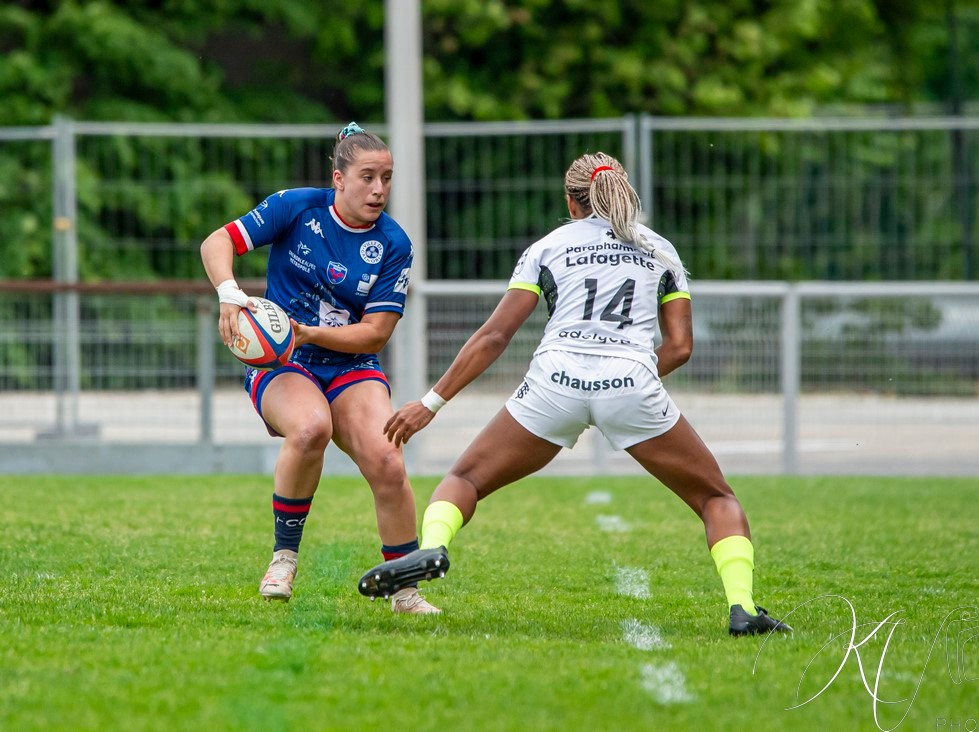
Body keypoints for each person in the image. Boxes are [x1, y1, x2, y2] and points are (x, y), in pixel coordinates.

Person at [357, 152, 791, 636]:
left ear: (570, 200)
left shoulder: (549, 246)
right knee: (716, 498)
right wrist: (624, 389)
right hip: (631, 382)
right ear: (623, 191)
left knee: (466, 479)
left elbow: (494, 337)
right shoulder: (660, 250)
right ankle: (743, 609)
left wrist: (430, 403)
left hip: (554, 382)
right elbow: (680, 347)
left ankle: (432, 547)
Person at [199, 122, 438, 614]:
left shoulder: (394, 243)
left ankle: (406, 590)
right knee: (310, 429)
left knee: (388, 459)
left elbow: (374, 333)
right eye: (368, 177)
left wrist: (307, 331)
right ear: (339, 178)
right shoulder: (295, 206)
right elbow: (216, 243)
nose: (379, 189)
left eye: (387, 178)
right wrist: (229, 293)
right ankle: (283, 558)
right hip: (284, 362)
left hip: (350, 363)